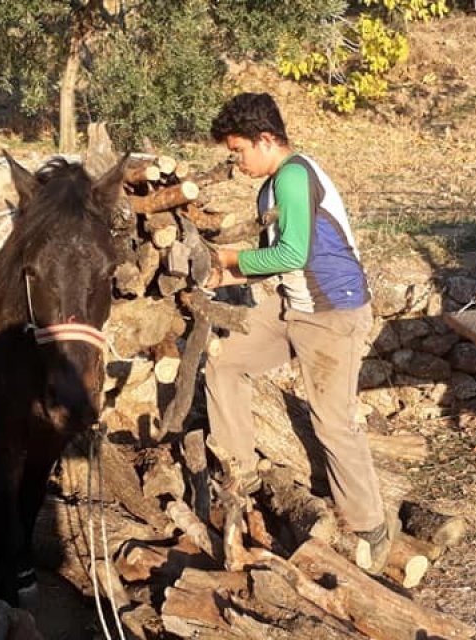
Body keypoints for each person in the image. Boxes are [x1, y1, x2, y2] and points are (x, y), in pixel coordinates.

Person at [203, 92, 391, 570]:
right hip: (293, 304)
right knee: (224, 363)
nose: (237, 162)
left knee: (333, 420)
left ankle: (370, 527)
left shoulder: (293, 176)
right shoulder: (270, 187)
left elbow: (293, 254)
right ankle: (240, 474)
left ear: (266, 139)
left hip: (332, 313)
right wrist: (226, 277)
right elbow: (276, 261)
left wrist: (225, 256)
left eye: (239, 151)